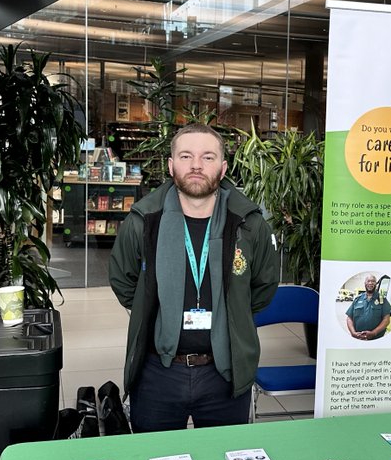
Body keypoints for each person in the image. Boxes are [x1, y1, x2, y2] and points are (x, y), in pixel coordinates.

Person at [109, 124, 278, 432]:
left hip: (224, 371)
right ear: (171, 165)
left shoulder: (250, 225)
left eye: (208, 157)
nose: (197, 165)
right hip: (158, 371)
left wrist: (235, 313)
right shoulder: (144, 221)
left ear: (224, 167)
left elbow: (264, 287)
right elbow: (123, 280)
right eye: (186, 156)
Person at [345, 273, 391, 340]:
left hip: (376, 339)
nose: (370, 283)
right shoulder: (357, 299)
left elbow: (386, 319)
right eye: (368, 281)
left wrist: (374, 333)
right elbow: (349, 318)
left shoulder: (382, 300)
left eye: (373, 281)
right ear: (365, 283)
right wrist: (353, 332)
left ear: (376, 284)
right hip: (358, 338)